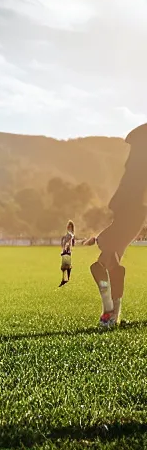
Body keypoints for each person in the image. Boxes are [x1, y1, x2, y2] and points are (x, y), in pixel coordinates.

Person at [85, 123, 147, 328]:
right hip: (125, 215)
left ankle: (112, 314)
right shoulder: (134, 167)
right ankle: (109, 309)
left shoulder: (140, 164)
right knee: (99, 266)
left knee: (110, 264)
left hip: (132, 215)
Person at [59, 220, 75, 287]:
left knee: (66, 265)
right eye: (68, 226)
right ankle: (64, 279)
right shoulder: (68, 234)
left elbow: (69, 242)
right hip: (66, 250)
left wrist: (66, 248)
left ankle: (66, 279)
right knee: (64, 266)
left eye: (70, 226)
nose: (69, 227)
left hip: (67, 251)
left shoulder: (71, 234)